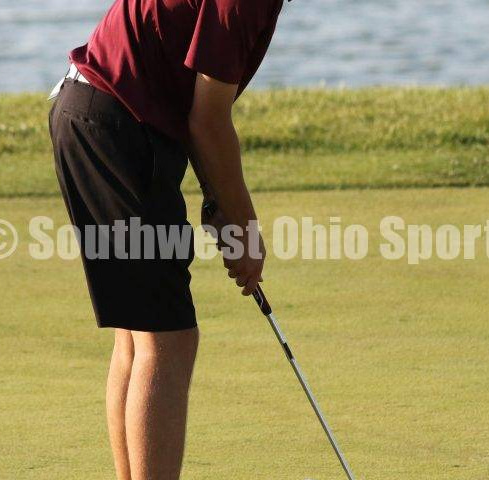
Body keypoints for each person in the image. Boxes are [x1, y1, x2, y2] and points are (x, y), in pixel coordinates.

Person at [48, 0, 284, 478]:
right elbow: (208, 121)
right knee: (168, 340)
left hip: (89, 112)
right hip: (117, 126)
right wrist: (244, 226)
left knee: (139, 337)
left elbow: (196, 106)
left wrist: (218, 203)